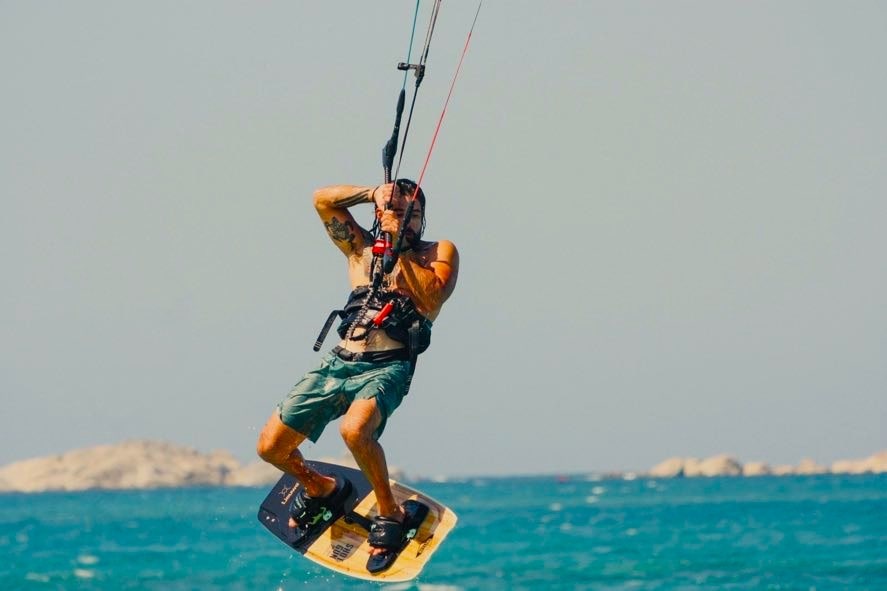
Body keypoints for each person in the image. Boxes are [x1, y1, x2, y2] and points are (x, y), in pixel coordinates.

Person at [256, 178, 458, 573]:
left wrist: (399, 247)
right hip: (339, 362)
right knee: (270, 448)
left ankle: (391, 513)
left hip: (388, 366)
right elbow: (320, 199)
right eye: (396, 212)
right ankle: (321, 488)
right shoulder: (359, 248)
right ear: (379, 215)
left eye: (413, 214)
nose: (406, 220)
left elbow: (431, 297)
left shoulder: (438, 252)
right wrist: (371, 193)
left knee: (354, 431)